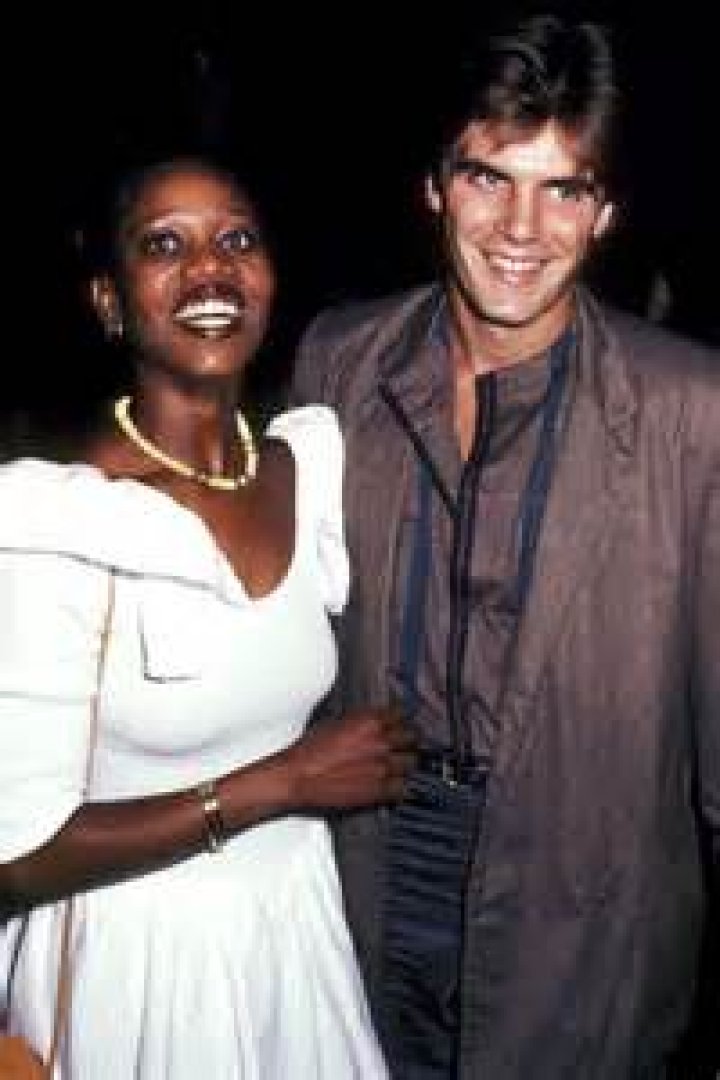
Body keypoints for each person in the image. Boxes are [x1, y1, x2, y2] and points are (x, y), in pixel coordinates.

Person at [289, 13, 719, 1079]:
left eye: (563, 189)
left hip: (580, 901)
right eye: (489, 178)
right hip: (363, 870)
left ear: (604, 212)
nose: (522, 227)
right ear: (436, 186)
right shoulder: (339, 360)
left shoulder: (692, 410)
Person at [0, 141, 417, 1078]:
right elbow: (15, 856)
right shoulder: (56, 523)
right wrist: (283, 784)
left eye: (236, 239)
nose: (209, 269)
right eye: (164, 245)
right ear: (109, 301)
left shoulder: (306, 470)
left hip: (292, 940)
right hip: (138, 968)